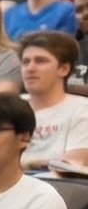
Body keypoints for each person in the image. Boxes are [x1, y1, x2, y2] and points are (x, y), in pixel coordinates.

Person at [16, 30, 88, 169]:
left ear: (63, 69)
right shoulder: (5, 108)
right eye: (25, 62)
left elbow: (73, 162)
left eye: (40, 61)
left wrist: (21, 165)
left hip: (58, 185)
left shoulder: (82, 109)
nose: (30, 68)